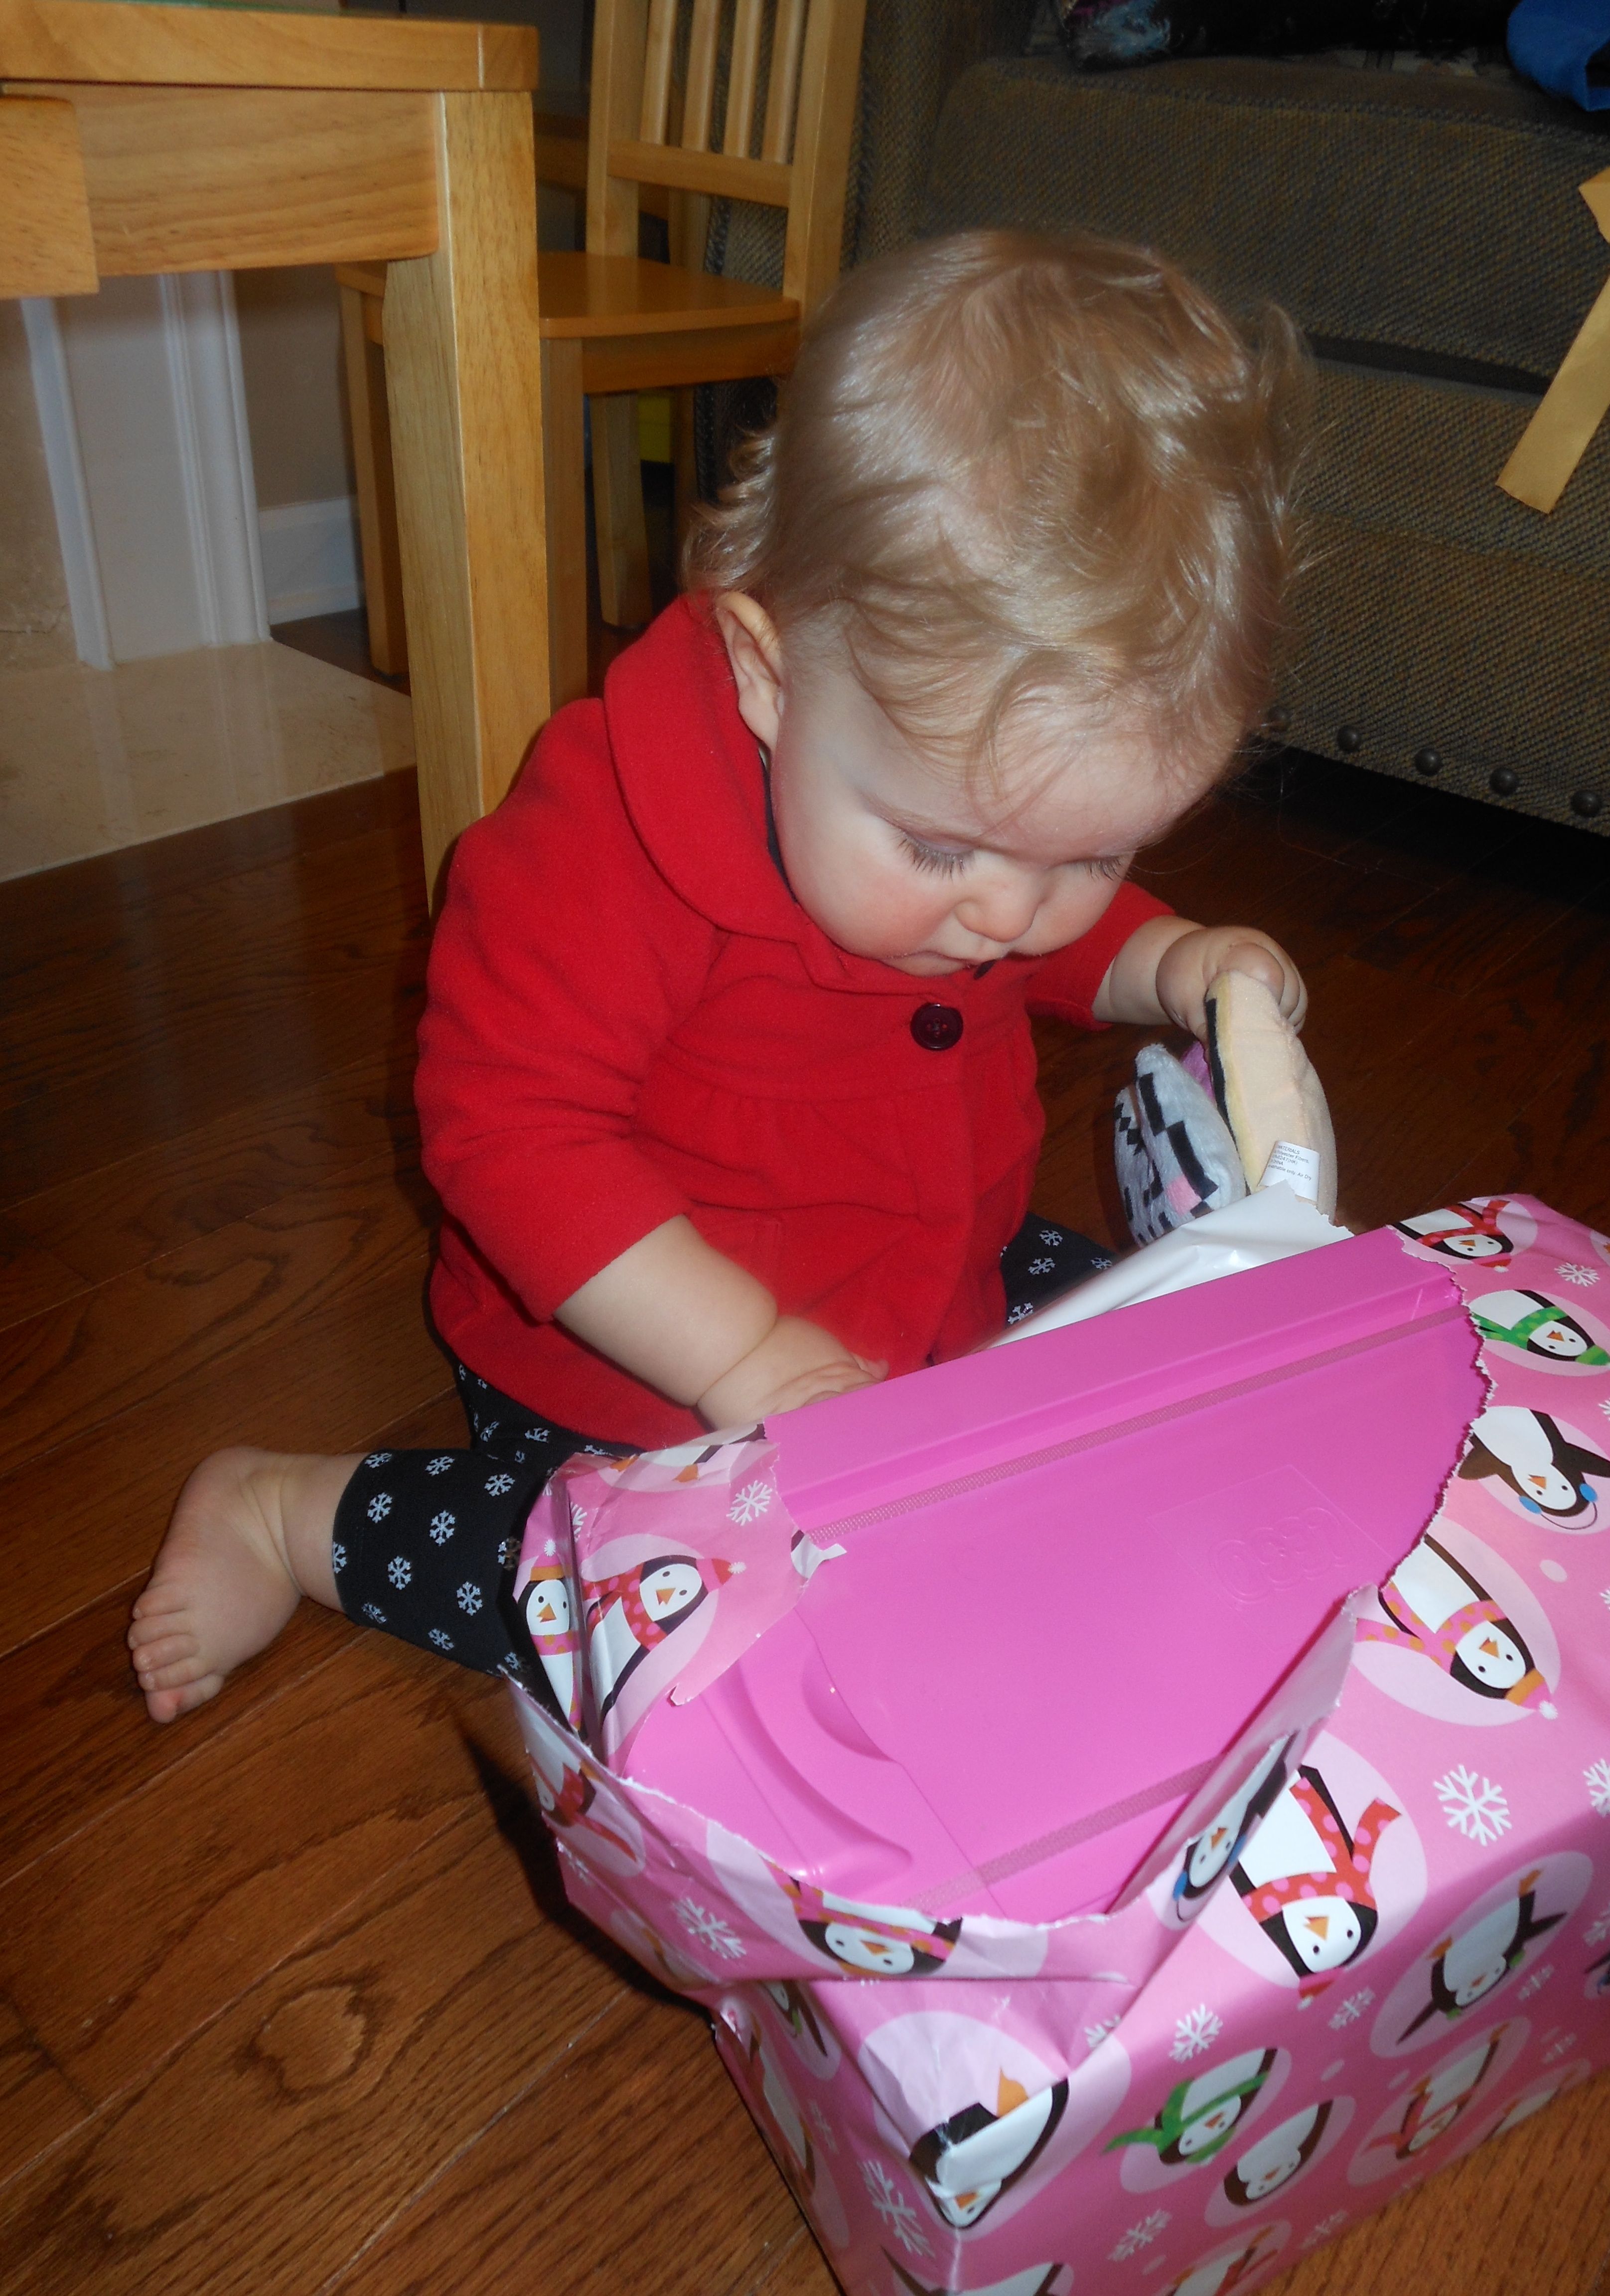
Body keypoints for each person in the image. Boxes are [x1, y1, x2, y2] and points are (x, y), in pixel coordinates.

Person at [129, 229, 1312, 1723]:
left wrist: (1168, 957)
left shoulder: (974, 844)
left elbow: (1051, 919)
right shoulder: (605, 830)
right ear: (764, 671)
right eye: (941, 848)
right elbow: (510, 1130)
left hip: (924, 1281)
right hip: (634, 1364)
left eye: (1093, 855)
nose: (1014, 918)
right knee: (661, 1602)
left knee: (1172, 1372)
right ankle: (293, 1516)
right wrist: (742, 1354)